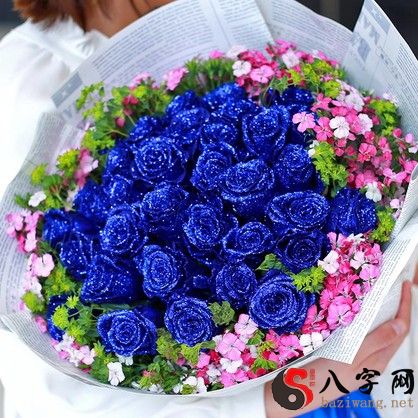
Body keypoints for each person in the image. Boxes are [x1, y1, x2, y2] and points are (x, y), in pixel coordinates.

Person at [0, 1, 416, 417]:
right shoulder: (25, 79)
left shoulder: (230, 21)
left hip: (369, 367)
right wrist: (280, 398)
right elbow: (45, 393)